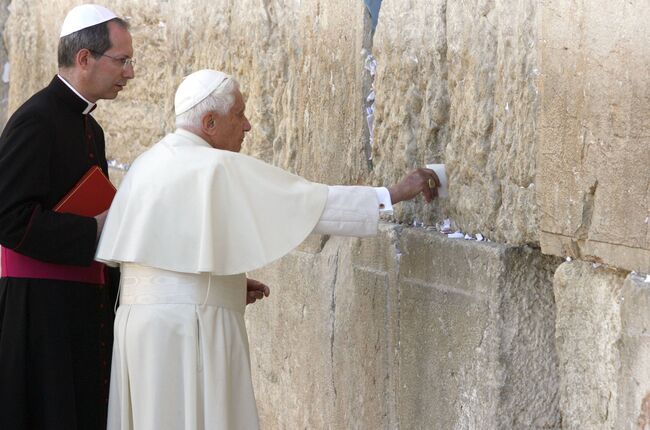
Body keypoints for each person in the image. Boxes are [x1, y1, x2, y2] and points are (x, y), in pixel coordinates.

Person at [96, 69, 440, 430]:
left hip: (139, 329)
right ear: (209, 121)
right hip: (190, 328)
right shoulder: (215, 165)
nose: (246, 126)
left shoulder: (146, 163)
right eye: (239, 115)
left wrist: (225, 284)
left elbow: (159, 267)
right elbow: (308, 204)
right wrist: (392, 194)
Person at [0, 4, 135, 429]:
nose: (129, 73)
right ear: (84, 59)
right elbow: (7, 218)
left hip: (80, 307)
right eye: (123, 60)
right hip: (40, 314)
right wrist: (92, 228)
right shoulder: (35, 120)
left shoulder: (90, 128)